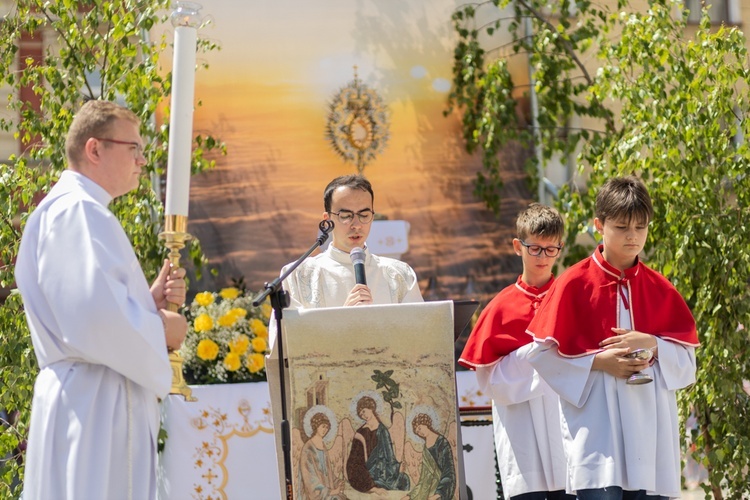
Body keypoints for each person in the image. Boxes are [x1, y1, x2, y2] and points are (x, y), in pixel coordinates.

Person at [15, 99, 189, 500]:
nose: (142, 161)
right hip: (94, 407)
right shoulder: (78, 211)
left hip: (87, 395)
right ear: (95, 149)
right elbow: (94, 320)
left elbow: (88, 309)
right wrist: (164, 328)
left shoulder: (73, 209)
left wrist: (146, 302)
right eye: (134, 149)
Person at [525, 176, 700, 499]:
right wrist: (598, 363)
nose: (632, 236)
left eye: (640, 227)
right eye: (621, 227)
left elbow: (688, 365)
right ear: (598, 225)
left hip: (650, 438)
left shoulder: (661, 289)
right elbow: (540, 357)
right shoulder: (573, 284)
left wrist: (653, 344)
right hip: (596, 438)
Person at [458, 203, 573, 500]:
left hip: (566, 429)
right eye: (535, 248)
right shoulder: (500, 307)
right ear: (517, 246)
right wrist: (539, 356)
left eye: (551, 249)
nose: (542, 257)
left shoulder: (571, 299)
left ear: (560, 249)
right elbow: (490, 380)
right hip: (521, 430)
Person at [279, 174, 423, 315]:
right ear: (327, 219)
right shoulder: (299, 275)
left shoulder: (400, 274)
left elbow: (421, 331)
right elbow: (288, 335)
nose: (356, 225)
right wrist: (344, 317)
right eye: (346, 216)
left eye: (364, 215)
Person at [346, 395, 411, 493]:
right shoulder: (360, 433)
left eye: (364, 411)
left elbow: (390, 455)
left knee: (404, 479)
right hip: (368, 472)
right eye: (361, 414)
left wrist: (397, 467)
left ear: (371, 407)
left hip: (384, 471)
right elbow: (354, 460)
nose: (363, 415)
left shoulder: (383, 430)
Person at [401, 413, 456, 500]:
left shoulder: (442, 442)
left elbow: (449, 471)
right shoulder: (425, 449)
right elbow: (423, 478)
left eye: (419, 428)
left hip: (441, 488)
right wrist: (410, 495)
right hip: (427, 488)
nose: (420, 433)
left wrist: (438, 494)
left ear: (425, 423)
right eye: (417, 432)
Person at [298, 411, 347, 500]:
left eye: (327, 427)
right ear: (316, 426)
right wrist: (330, 492)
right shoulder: (308, 449)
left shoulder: (323, 447)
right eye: (323, 426)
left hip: (328, 493)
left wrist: (338, 482)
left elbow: (328, 473)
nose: (325, 430)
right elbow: (310, 479)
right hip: (316, 496)